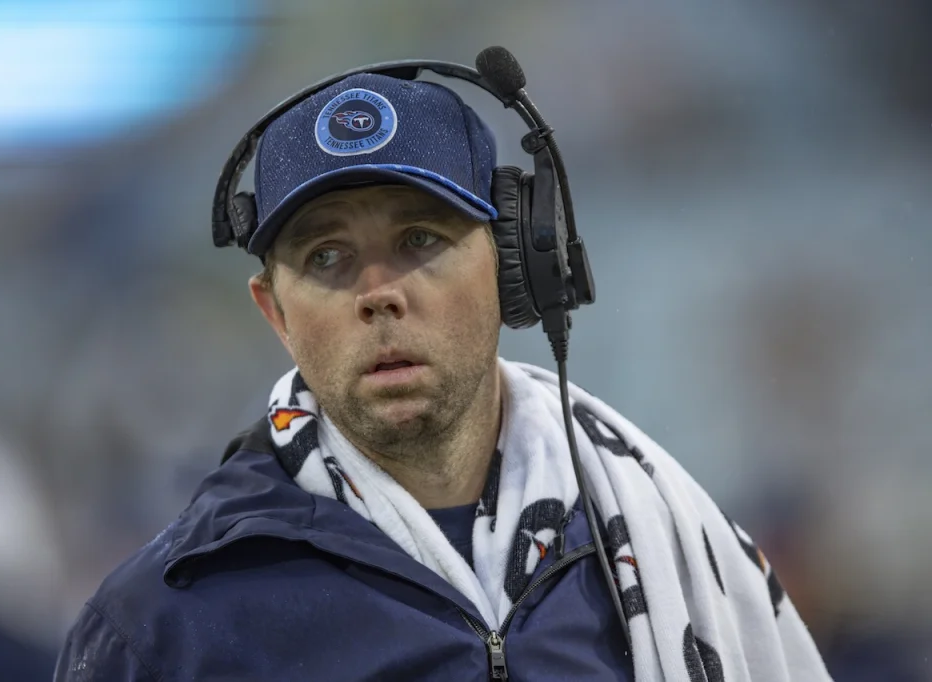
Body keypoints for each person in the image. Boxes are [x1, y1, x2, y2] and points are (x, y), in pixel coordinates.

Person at [54, 59, 833, 680]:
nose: (379, 294)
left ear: (517, 267)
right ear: (276, 314)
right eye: (326, 257)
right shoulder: (161, 628)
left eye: (421, 239)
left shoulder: (661, 546)